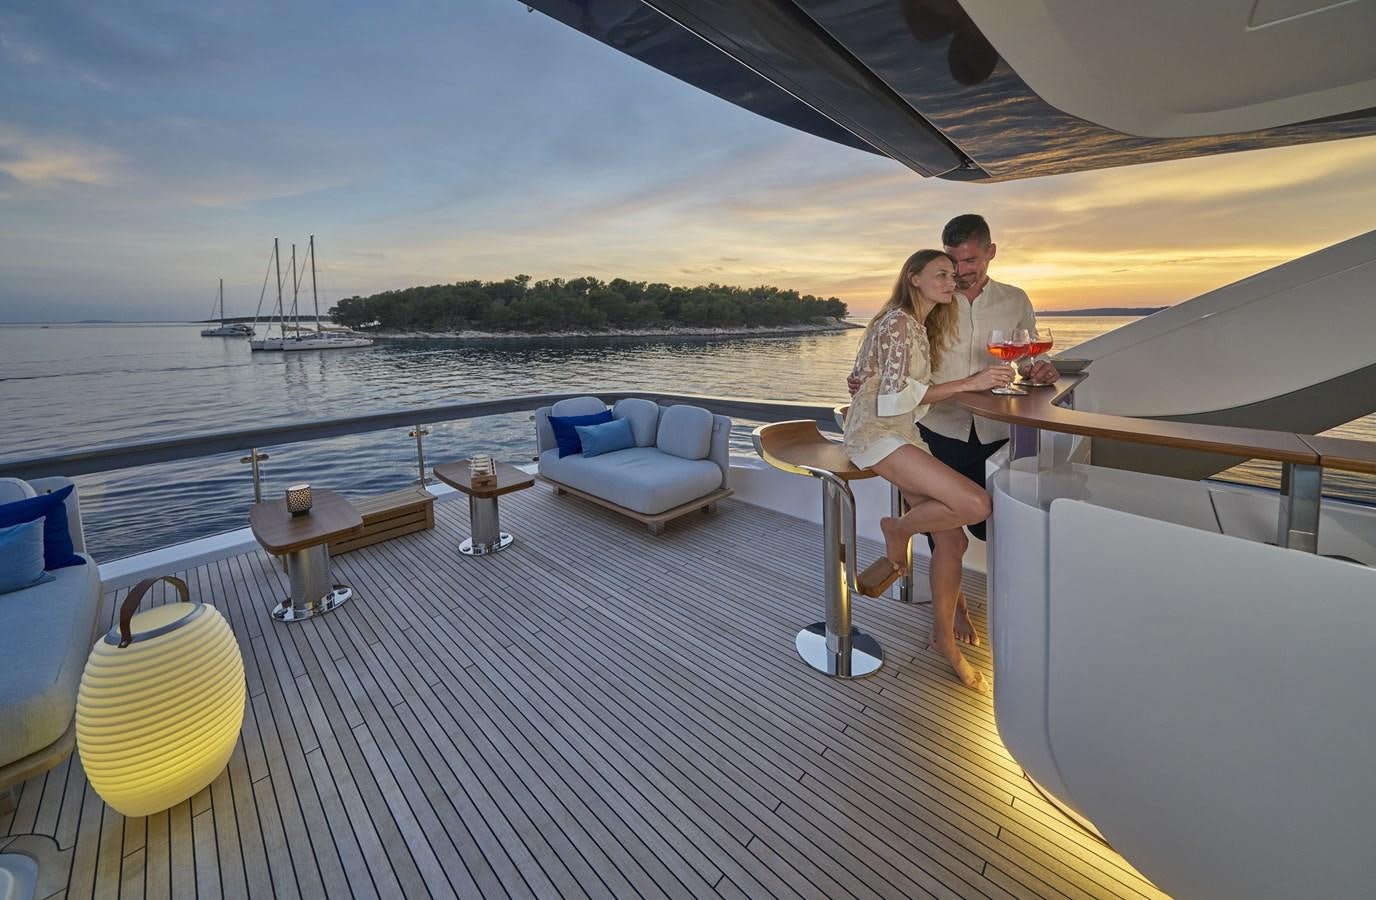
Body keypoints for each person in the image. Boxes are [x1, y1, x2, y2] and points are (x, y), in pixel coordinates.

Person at [849, 214, 1057, 649]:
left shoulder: (1014, 299)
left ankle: (950, 608)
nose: (960, 273)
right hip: (934, 427)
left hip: (993, 431)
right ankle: (952, 613)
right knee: (946, 534)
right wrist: (865, 380)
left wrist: (1037, 368)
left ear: (990, 253)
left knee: (977, 525)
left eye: (969, 261)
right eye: (950, 263)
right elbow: (889, 357)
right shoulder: (932, 302)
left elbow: (1024, 355)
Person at [843, 249, 1012, 692]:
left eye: (953, 275)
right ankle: (897, 528)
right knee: (976, 504)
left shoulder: (913, 325)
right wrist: (971, 382)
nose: (951, 280)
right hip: (877, 433)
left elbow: (861, 376)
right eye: (941, 274)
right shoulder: (899, 322)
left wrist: (865, 382)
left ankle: (943, 638)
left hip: (902, 431)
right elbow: (892, 399)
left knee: (953, 540)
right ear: (913, 278)